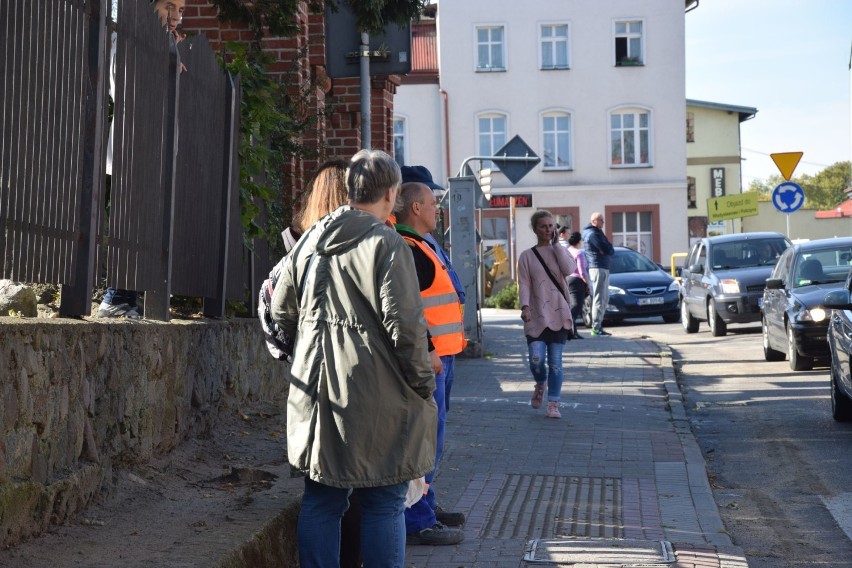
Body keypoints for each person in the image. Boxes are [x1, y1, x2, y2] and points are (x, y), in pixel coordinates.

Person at [271, 149, 437, 568]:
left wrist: (307, 353)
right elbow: (407, 329)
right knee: (384, 499)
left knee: (322, 499)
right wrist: (422, 384)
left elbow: (280, 313)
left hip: (315, 394)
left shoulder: (309, 240)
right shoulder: (386, 243)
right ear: (392, 193)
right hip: (377, 395)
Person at [96, 0, 187, 319]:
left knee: (147, 223)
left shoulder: (161, 42)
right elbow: (121, 85)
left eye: (181, 9)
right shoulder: (131, 35)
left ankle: (129, 296)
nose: (176, 15)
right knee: (132, 219)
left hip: (154, 145)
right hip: (135, 143)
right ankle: (116, 297)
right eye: (169, 6)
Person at [395, 168, 466, 546]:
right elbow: (409, 310)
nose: (438, 209)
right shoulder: (407, 247)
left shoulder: (421, 243)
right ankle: (416, 519)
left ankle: (426, 505)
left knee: (433, 442)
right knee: (425, 444)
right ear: (416, 206)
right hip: (430, 361)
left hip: (442, 357)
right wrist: (430, 350)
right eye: (433, 203)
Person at [518, 210, 576, 419]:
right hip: (536, 315)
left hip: (559, 313)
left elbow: (569, 270)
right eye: (543, 226)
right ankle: (540, 383)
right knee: (536, 359)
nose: (548, 230)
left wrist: (557, 246)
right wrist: (524, 306)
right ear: (535, 229)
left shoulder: (559, 250)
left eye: (551, 226)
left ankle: (553, 403)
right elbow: (524, 283)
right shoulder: (526, 256)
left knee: (556, 363)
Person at [582, 211, 615, 336]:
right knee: (599, 299)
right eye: (601, 220)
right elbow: (606, 248)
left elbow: (609, 248)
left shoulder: (598, 232)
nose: (603, 222)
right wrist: (606, 249)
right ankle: (596, 327)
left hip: (603, 267)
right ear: (594, 221)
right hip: (597, 267)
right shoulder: (592, 234)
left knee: (604, 298)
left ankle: (599, 325)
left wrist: (607, 249)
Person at [565, 231, 589, 339]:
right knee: (577, 306)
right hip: (577, 280)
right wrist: (587, 283)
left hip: (567, 279)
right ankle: (567, 327)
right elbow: (582, 271)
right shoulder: (579, 253)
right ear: (579, 241)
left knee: (571, 304)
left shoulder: (566, 251)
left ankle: (574, 332)